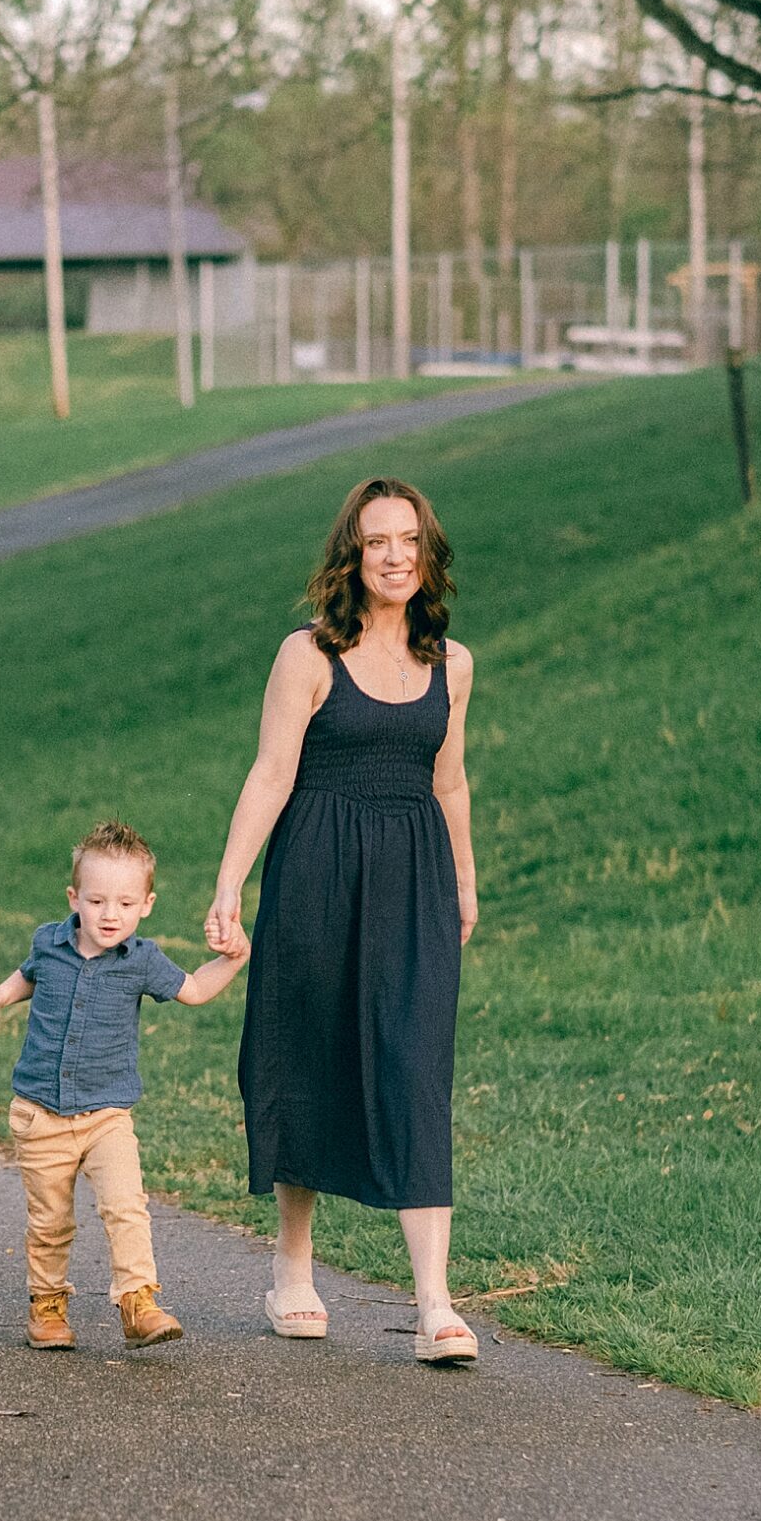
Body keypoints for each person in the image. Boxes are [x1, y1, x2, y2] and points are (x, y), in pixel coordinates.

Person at [204, 476, 481, 1365]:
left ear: (427, 553)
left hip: (416, 881)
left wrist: (467, 884)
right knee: (308, 1056)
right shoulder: (309, 654)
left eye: (409, 540)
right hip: (316, 872)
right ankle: (292, 1267)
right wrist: (228, 885)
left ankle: (435, 1303)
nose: (395, 555)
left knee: (414, 1067)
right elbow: (270, 775)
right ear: (351, 557)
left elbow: (450, 781)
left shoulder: (453, 664)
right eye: (377, 542)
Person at [0, 821, 249, 1352]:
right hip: (40, 1114)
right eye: (96, 901)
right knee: (50, 1221)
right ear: (74, 899)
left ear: (147, 904)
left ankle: (138, 1301)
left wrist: (233, 958)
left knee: (126, 1206)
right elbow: (27, 976)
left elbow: (193, 991)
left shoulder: (141, 959)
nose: (109, 914)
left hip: (106, 1115)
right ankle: (47, 1306)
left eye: (123, 902)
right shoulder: (48, 942)